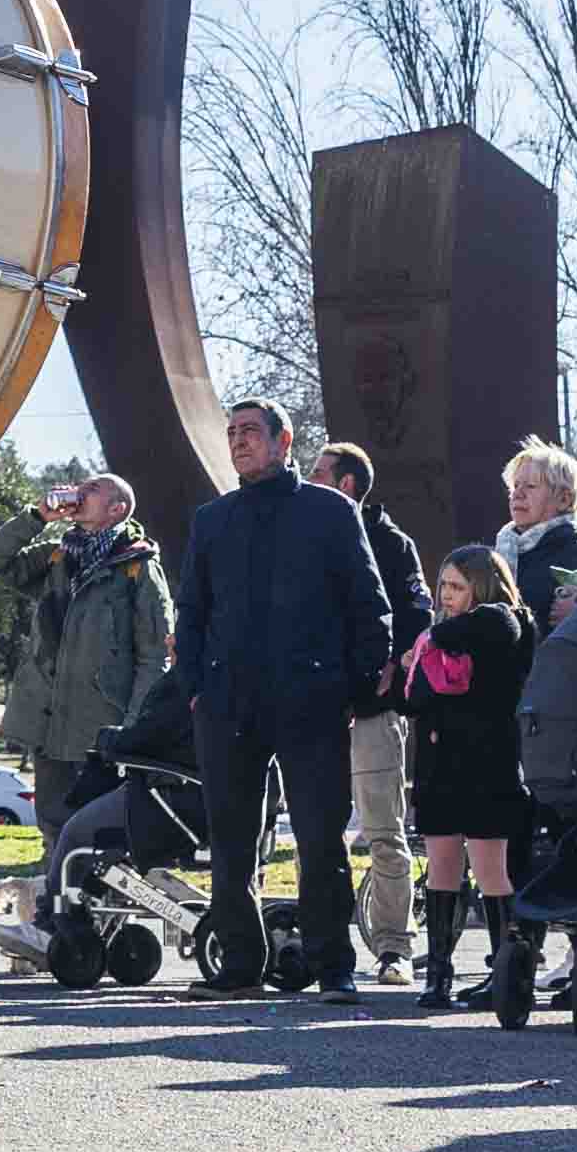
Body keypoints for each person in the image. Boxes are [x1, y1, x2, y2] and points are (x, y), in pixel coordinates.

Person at [168, 397, 383, 998]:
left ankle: (332, 966)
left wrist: (355, 689)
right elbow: (192, 613)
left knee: (320, 838)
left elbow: (370, 606)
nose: (238, 442)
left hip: (310, 701)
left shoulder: (331, 511)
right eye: (232, 432)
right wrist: (195, 687)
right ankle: (239, 967)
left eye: (251, 432)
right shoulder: (212, 519)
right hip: (227, 705)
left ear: (284, 442)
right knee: (231, 843)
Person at [315, 441, 432, 977]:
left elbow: (416, 613)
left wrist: (391, 665)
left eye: (317, 472)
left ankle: (394, 948)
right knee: (318, 835)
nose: (304, 479)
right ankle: (320, 944)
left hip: (373, 713)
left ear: (345, 485)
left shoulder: (391, 542)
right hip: (312, 711)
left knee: (384, 833)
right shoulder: (302, 537)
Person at [0, 475, 169, 827]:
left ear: (116, 509)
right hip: (47, 722)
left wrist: (134, 727)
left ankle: (93, 883)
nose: (80, 491)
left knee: (99, 828)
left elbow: (155, 656)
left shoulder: (139, 567)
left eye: (93, 488)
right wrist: (37, 517)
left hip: (101, 730)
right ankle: (58, 881)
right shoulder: (58, 556)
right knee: (51, 823)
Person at [404, 547, 531, 1012]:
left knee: (490, 869)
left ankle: (506, 973)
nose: (446, 596)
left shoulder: (504, 621)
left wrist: (428, 642)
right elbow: (414, 699)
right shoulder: (444, 641)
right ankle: (438, 973)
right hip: (440, 765)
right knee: (441, 867)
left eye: (457, 586)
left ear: (482, 584)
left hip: (488, 764)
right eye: (443, 587)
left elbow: (494, 627)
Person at [496, 446, 577, 631]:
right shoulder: (493, 558)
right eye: (515, 486)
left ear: (564, 500)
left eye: (530, 486)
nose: (517, 494)